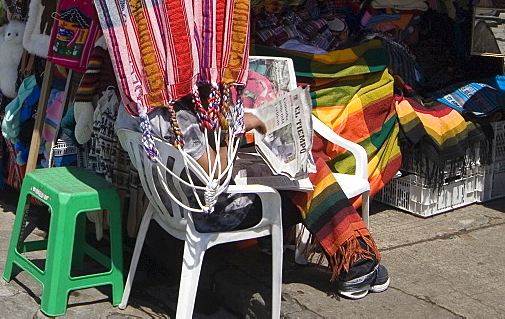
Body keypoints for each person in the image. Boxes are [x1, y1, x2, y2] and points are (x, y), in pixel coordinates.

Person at [118, 95, 390, 300]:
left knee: (302, 171)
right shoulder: (175, 117)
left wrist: (257, 121)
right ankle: (357, 265)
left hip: (167, 204)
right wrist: (239, 146)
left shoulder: (132, 105)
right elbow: (214, 166)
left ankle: (348, 260)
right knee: (310, 176)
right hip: (209, 210)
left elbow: (199, 147)